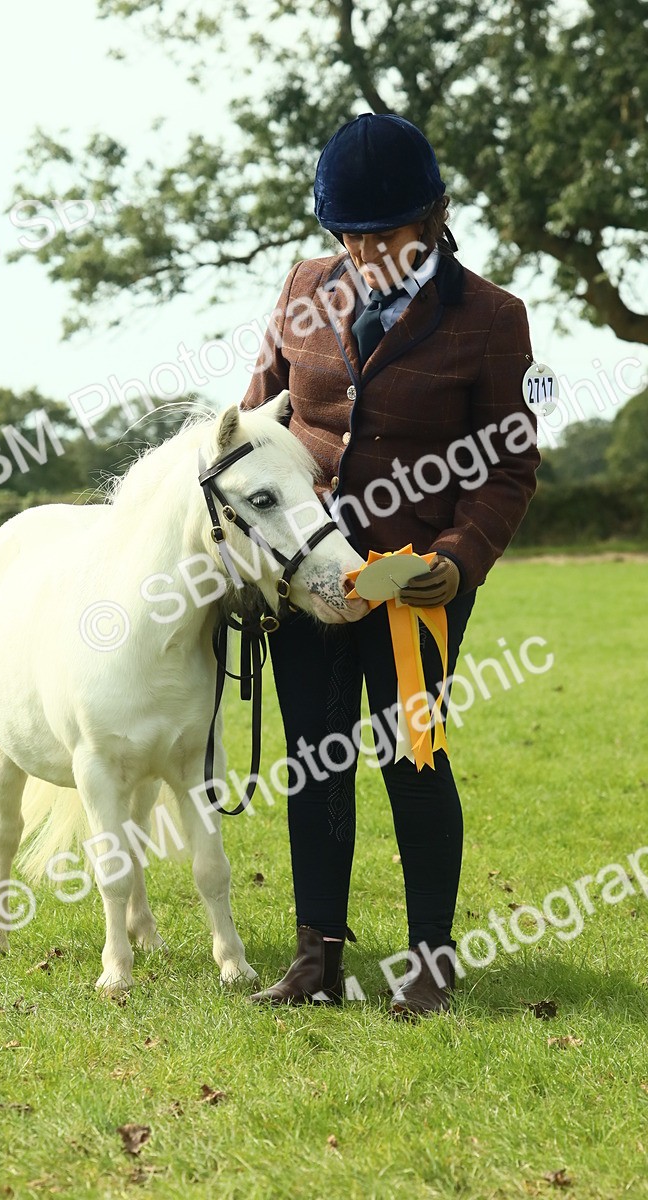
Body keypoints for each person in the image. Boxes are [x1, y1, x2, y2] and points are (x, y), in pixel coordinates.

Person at [239, 112, 540, 1015]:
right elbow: (257, 421)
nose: (365, 253)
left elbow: (508, 465)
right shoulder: (303, 286)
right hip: (310, 576)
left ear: (435, 216)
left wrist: (460, 558)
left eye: (385, 234)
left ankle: (430, 960)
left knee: (413, 758)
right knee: (315, 761)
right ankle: (317, 960)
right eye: (350, 235)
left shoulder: (492, 318)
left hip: (417, 583)